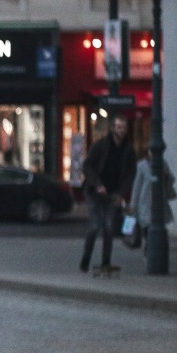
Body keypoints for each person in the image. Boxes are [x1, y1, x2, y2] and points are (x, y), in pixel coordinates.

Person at [79, 115, 136, 272]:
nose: (122, 130)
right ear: (113, 128)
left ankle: (106, 261)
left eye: (124, 127)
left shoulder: (128, 151)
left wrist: (121, 194)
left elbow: (129, 175)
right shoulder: (101, 145)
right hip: (94, 193)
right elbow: (87, 166)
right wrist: (97, 184)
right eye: (119, 127)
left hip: (112, 194)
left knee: (109, 227)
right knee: (95, 226)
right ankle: (85, 259)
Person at [126, 152, 177, 251]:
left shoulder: (163, 163)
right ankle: (149, 252)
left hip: (160, 203)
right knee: (147, 228)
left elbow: (171, 179)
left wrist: (165, 173)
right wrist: (133, 205)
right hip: (145, 203)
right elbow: (137, 187)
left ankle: (152, 252)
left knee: (159, 229)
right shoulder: (142, 165)